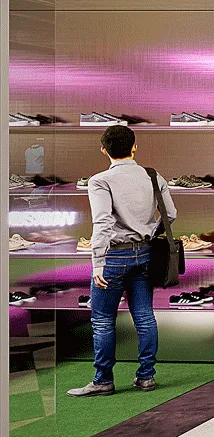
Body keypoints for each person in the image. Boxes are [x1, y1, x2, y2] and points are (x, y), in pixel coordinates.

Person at [68, 125, 175, 397]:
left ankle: (103, 380)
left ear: (103, 150)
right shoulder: (153, 176)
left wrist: (97, 261)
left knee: (103, 321)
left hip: (114, 257)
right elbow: (171, 214)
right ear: (134, 147)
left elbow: (102, 222)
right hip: (145, 254)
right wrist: (149, 233)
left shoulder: (99, 181)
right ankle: (146, 377)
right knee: (145, 317)